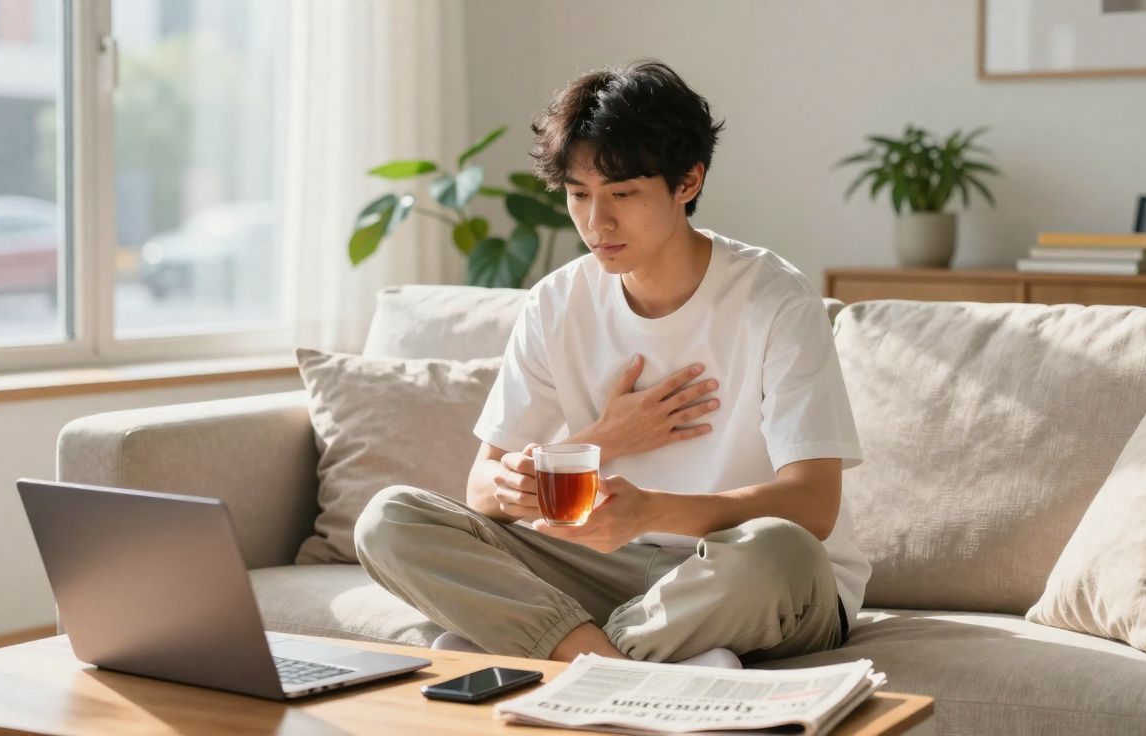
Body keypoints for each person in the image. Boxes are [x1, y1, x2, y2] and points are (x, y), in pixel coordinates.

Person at [354, 59, 868, 667]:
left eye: (623, 194)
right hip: (600, 569)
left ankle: (554, 651)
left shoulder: (774, 297)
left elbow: (813, 503)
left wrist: (653, 511)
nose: (596, 222)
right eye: (578, 195)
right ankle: (623, 665)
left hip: (734, 572)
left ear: (688, 182)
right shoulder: (556, 301)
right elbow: (481, 488)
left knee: (781, 552)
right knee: (388, 520)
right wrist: (601, 439)